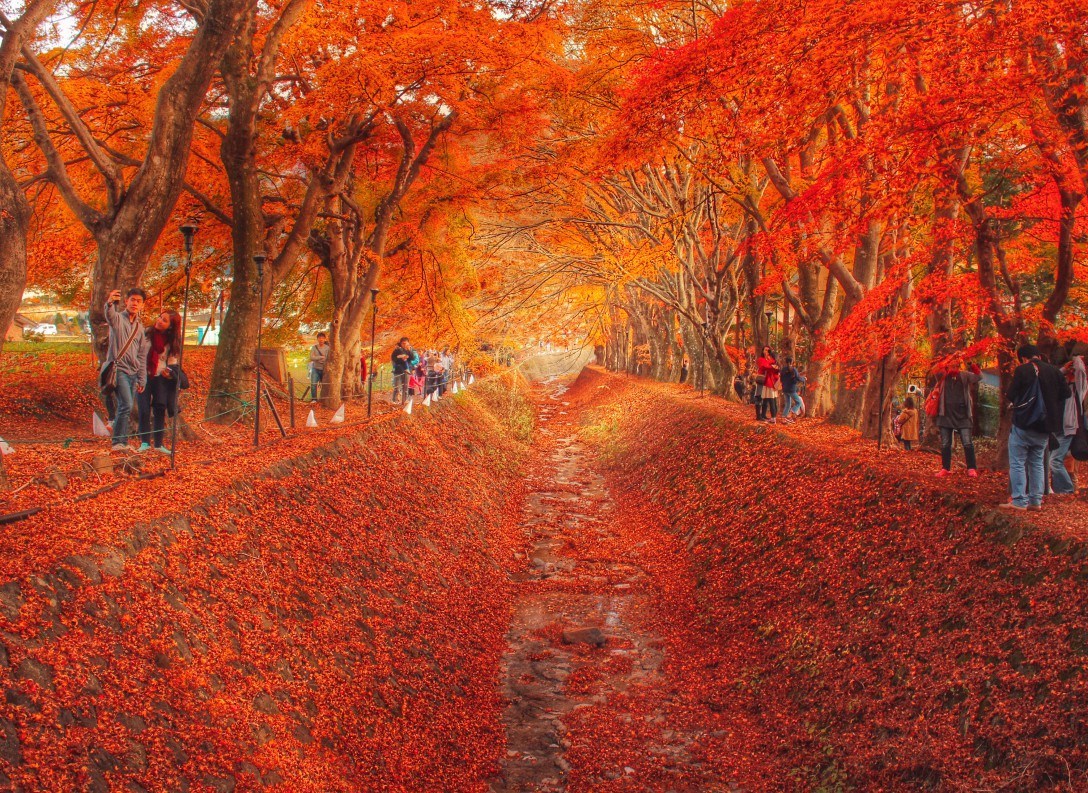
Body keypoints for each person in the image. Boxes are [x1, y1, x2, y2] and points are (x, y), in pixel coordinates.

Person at [1004, 345, 1071, 510]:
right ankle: (1036, 501)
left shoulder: (1023, 370)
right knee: (1037, 462)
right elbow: (1066, 394)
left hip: (1024, 422)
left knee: (1018, 462)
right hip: (1045, 425)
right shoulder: (1054, 371)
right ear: (1038, 356)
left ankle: (1019, 500)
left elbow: (1010, 394)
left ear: (1023, 358)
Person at [102, 288, 149, 452]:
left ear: (142, 305)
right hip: (119, 369)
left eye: (139, 301)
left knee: (125, 406)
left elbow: (142, 355)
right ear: (126, 301)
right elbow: (109, 315)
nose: (135, 303)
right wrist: (109, 303)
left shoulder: (139, 328)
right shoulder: (118, 319)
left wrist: (142, 378)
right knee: (126, 405)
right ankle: (117, 442)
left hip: (133, 372)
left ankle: (122, 440)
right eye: (132, 300)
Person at [137, 310, 181, 453]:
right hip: (143, 375)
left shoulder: (172, 341)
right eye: (160, 317)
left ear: (170, 326)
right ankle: (144, 442)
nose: (159, 321)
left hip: (161, 377)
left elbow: (173, 361)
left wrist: (169, 372)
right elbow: (137, 353)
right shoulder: (147, 333)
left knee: (160, 409)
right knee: (143, 409)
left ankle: (158, 444)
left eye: (164, 320)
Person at [933, 361, 982, 477]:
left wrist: (972, 365)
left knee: (967, 442)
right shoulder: (943, 376)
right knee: (945, 443)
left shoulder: (965, 375)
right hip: (945, 415)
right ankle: (945, 468)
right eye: (952, 365)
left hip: (963, 415)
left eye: (956, 365)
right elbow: (934, 371)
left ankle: (971, 468)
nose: (954, 367)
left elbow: (979, 377)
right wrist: (946, 361)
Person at [1050, 356, 1087, 494]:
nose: (1071, 372)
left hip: (1069, 427)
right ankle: (1060, 489)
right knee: (1054, 461)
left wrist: (1077, 360)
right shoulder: (1061, 387)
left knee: (1055, 461)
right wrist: (1064, 369)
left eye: (1073, 371)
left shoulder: (1079, 388)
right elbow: (1051, 378)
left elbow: (1081, 372)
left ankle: (1067, 489)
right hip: (1058, 428)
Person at [757, 347, 781, 423]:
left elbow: (766, 367)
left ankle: (773, 418)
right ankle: (766, 415)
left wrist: (769, 361)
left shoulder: (772, 363)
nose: (767, 353)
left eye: (769, 351)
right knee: (769, 400)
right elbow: (764, 366)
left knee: (771, 400)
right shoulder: (774, 364)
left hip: (770, 383)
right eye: (766, 350)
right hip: (769, 382)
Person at [390, 337, 416, 404]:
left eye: (405, 343)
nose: (404, 345)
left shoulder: (409, 350)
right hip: (398, 370)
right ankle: (394, 400)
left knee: (406, 386)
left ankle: (405, 400)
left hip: (407, 370)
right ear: (401, 343)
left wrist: (409, 351)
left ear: (408, 343)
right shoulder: (397, 350)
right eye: (403, 343)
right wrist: (401, 358)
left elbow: (413, 358)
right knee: (397, 387)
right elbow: (393, 359)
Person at [779, 356, 804, 423]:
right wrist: (804, 379)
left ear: (786, 362)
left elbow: (781, 379)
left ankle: (784, 418)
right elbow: (798, 378)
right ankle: (790, 414)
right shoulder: (793, 369)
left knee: (788, 404)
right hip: (791, 389)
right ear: (792, 362)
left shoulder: (783, 369)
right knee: (798, 402)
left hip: (785, 389)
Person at [309, 332, 330, 403]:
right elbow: (311, 357)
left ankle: (324, 399)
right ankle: (314, 399)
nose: (321, 339)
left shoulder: (327, 348)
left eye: (322, 338)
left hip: (324, 369)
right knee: (313, 384)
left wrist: (317, 358)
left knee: (325, 385)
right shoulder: (314, 347)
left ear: (325, 339)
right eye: (319, 338)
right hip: (315, 368)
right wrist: (320, 357)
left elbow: (327, 358)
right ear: (317, 339)